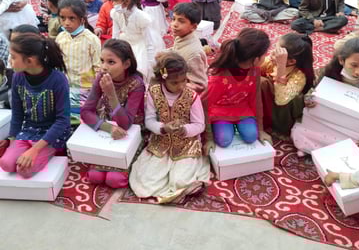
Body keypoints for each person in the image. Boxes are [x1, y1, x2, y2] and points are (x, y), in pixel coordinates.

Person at [129, 51, 210, 204]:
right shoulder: (154, 93)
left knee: (180, 180)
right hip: (161, 141)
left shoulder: (192, 96)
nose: (181, 86)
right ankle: (177, 190)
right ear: (163, 79)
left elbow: (200, 125)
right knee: (148, 181)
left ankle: (185, 186)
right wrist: (163, 128)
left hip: (187, 143)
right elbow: (150, 120)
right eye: (175, 82)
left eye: (184, 81)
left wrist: (184, 130)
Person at [0, 33, 71, 178]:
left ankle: (54, 151)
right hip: (29, 130)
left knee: (24, 170)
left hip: (52, 135)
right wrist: (12, 139)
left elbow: (62, 121)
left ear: (30, 61)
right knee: (6, 164)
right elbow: (18, 114)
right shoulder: (18, 77)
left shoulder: (58, 80)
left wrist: (35, 150)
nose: (10, 61)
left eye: (13, 57)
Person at [292, 36, 359, 156]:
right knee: (299, 131)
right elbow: (313, 92)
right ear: (342, 60)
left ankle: (313, 149)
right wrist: (309, 99)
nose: (358, 72)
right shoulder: (328, 73)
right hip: (326, 124)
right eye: (354, 65)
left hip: (353, 130)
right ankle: (338, 152)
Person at [81, 39, 145, 188]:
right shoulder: (101, 77)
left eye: (111, 62)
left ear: (126, 64)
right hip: (108, 128)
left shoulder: (136, 84)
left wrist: (111, 95)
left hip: (132, 131)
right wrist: (108, 128)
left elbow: (126, 124)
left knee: (114, 179)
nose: (104, 67)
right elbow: (85, 112)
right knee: (95, 176)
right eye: (102, 61)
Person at [203, 27, 272, 148]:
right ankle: (222, 126)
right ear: (256, 59)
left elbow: (256, 100)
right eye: (265, 54)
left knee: (251, 136)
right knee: (224, 140)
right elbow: (204, 105)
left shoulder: (255, 71)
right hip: (220, 111)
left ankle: (235, 126)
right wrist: (208, 138)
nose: (266, 57)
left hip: (242, 110)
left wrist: (260, 129)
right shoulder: (220, 78)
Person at [56, 0, 101, 122]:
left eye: (72, 18)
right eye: (62, 18)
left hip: (86, 89)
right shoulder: (61, 37)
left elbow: (98, 67)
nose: (66, 23)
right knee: (66, 117)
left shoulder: (91, 39)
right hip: (66, 86)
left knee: (82, 119)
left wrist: (97, 91)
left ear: (82, 19)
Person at [261, 33, 314, 136]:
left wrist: (280, 67)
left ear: (291, 61)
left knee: (263, 83)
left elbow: (281, 100)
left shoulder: (300, 76)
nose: (271, 54)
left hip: (281, 111)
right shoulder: (272, 61)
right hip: (270, 102)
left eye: (276, 54)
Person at [111, 0, 163, 81]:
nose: (113, 4)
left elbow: (149, 44)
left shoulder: (141, 17)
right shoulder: (116, 13)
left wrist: (151, 64)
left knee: (139, 70)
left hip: (142, 46)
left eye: (115, 1)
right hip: (127, 42)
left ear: (126, 1)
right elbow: (115, 35)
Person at [171, 2, 208, 93]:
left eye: (181, 21)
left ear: (193, 26)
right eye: (174, 19)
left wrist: (173, 84)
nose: (174, 24)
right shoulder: (181, 36)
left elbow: (200, 85)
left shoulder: (193, 55)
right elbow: (177, 49)